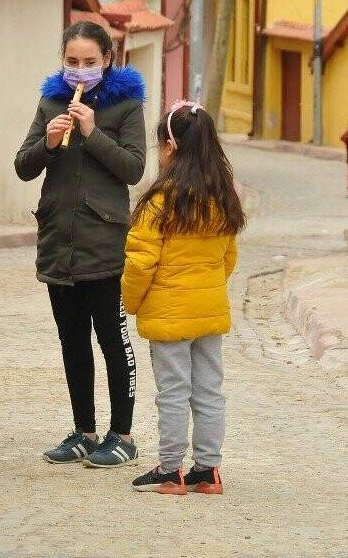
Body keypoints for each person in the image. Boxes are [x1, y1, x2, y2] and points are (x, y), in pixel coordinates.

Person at [14, 21, 147, 468]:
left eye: (90, 62)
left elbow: (132, 168)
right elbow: (24, 166)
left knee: (112, 338)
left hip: (104, 239)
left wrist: (92, 133)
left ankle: (122, 434)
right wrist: (50, 144)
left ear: (107, 60)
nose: (80, 70)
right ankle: (84, 431)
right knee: (72, 338)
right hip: (58, 238)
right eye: (72, 62)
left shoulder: (126, 105)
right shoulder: (51, 100)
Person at [123, 101, 245, 496]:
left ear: (170, 147)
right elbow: (228, 258)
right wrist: (206, 289)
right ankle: (207, 471)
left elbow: (141, 263)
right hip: (209, 312)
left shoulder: (159, 202)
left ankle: (169, 470)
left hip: (169, 315)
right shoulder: (222, 198)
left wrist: (133, 303)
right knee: (209, 391)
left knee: (173, 393)